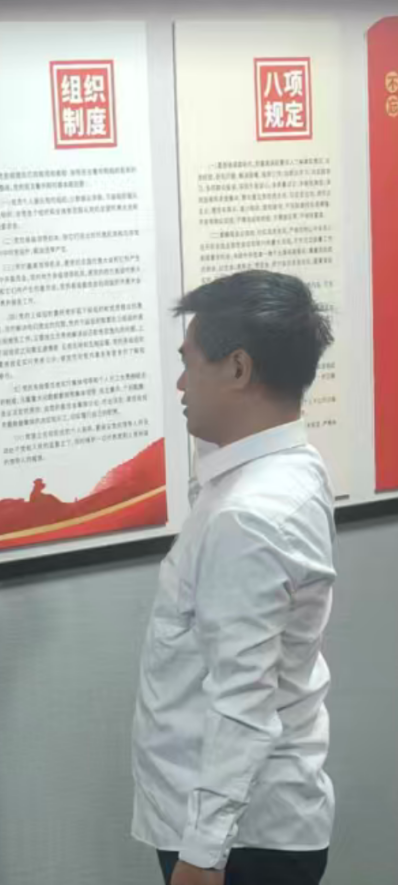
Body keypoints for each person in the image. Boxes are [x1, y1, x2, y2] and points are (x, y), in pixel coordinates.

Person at [132, 270, 337, 885]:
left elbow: (243, 701)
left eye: (189, 363)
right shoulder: (285, 467)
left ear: (239, 368)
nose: (180, 384)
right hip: (243, 826)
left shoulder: (249, 515)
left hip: (238, 843)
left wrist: (202, 856)